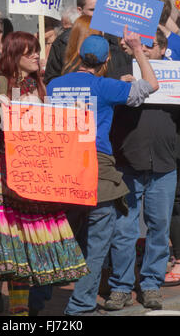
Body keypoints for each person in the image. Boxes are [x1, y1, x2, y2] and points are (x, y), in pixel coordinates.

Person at [0, 31, 89, 316]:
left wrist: (73, 115)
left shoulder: (41, 86)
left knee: (21, 259)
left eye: (37, 50)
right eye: (30, 51)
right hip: (4, 182)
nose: (37, 55)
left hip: (34, 183)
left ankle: (19, 316)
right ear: (13, 56)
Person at [46, 27, 158, 316]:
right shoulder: (105, 86)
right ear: (106, 61)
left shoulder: (55, 85)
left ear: (80, 57)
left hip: (61, 167)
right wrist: (136, 50)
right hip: (95, 168)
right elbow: (151, 85)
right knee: (97, 239)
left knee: (60, 235)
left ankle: (40, 297)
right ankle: (81, 305)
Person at [105, 28, 180, 311]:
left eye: (148, 45)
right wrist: (122, 86)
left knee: (158, 228)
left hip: (165, 165)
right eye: (139, 45)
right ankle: (120, 286)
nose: (141, 49)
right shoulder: (119, 69)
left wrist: (175, 149)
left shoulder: (176, 77)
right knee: (124, 230)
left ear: (161, 49)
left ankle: (152, 284)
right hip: (129, 162)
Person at [44, 0, 99, 85]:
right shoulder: (63, 42)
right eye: (92, 10)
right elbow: (51, 79)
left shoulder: (113, 39)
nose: (98, 14)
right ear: (80, 10)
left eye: (100, 9)